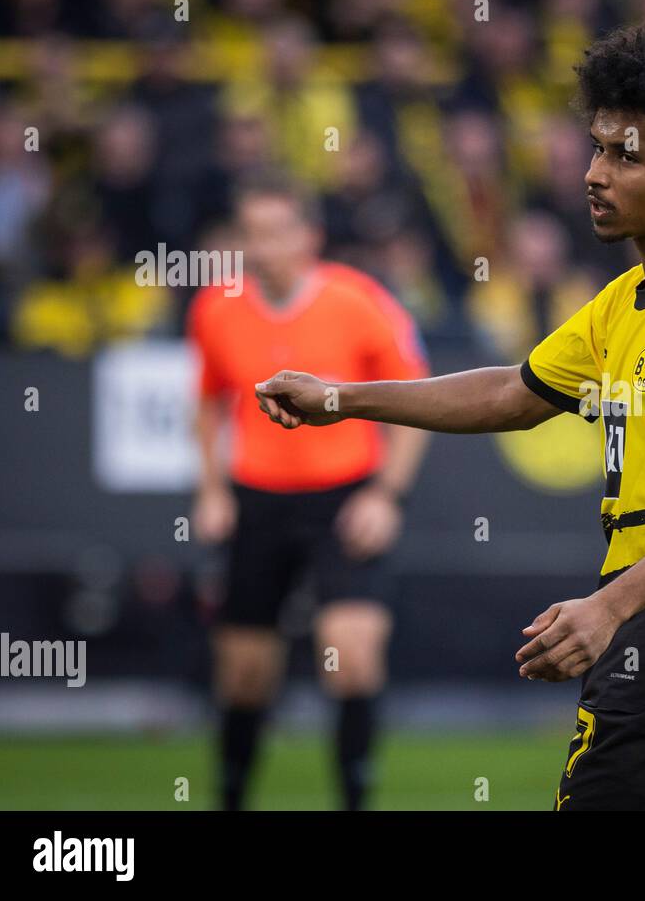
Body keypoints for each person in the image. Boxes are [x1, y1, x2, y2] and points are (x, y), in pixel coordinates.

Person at [253, 23, 645, 811]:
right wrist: (340, 399)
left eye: (625, 156)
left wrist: (609, 608)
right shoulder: (626, 302)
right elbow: (513, 394)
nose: (593, 173)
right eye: (595, 149)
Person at [188, 172, 430, 810]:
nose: (261, 246)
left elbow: (412, 396)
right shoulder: (216, 308)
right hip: (257, 499)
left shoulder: (359, 301)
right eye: (251, 233)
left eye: (275, 231)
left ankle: (355, 801)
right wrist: (211, 491)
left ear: (309, 237)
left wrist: (385, 495)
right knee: (244, 675)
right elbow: (208, 403)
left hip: (342, 498)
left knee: (350, 656)